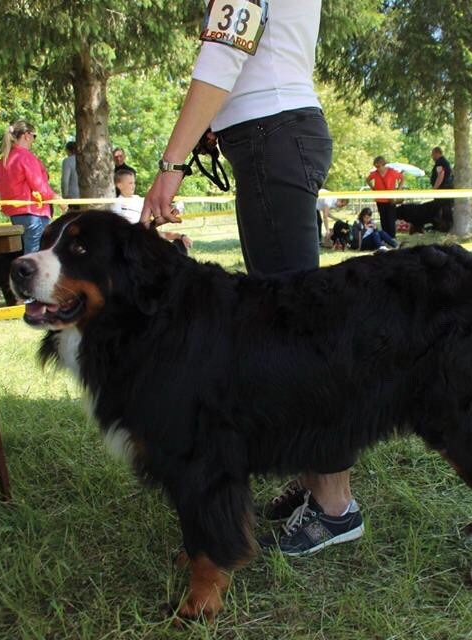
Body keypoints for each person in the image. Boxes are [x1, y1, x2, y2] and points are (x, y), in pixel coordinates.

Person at [140, 0, 363, 560]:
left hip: (273, 137)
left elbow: (222, 56)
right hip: (276, 134)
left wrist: (171, 164)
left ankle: (336, 507)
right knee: (293, 326)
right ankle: (318, 483)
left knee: (301, 337)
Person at [0, 120, 61, 254]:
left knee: (28, 252)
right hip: (34, 213)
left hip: (16, 215)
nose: (33, 140)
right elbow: (40, 187)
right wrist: (57, 199)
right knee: (37, 255)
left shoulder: (3, 161)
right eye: (34, 136)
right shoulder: (26, 157)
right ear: (26, 135)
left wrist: (6, 206)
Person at [112, 168, 191, 248]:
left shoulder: (139, 200)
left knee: (177, 241)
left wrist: (180, 236)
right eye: (130, 183)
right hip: (134, 244)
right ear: (119, 185)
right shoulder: (117, 205)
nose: (133, 186)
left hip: (146, 237)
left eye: (134, 183)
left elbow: (152, 226)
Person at [366, 156, 403, 238]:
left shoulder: (392, 172)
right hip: (380, 200)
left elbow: (402, 178)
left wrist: (399, 190)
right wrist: (373, 188)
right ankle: (385, 237)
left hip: (390, 200)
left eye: (379, 166)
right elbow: (368, 180)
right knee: (383, 219)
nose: (377, 168)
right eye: (376, 167)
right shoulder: (375, 173)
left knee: (391, 219)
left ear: (383, 164)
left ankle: (392, 237)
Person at [430, 147, 454, 227]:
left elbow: (441, 175)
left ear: (437, 153)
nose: (432, 156)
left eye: (433, 154)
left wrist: (435, 188)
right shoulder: (445, 162)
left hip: (442, 189)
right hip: (447, 188)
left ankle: (442, 225)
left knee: (440, 207)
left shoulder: (440, 162)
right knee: (446, 207)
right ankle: (446, 225)